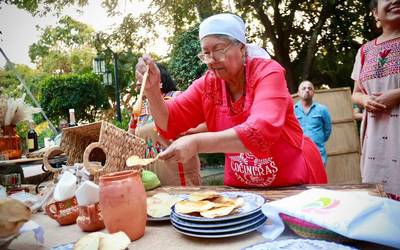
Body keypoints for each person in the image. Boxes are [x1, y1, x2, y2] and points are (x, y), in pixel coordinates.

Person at [135, 13, 327, 187]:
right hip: (241, 190)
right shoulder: (208, 85)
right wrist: (152, 91)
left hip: (290, 183)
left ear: (241, 48)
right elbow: (169, 122)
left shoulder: (267, 73)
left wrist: (196, 143)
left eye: (218, 50)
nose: (211, 60)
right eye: (206, 53)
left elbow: (261, 130)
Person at [351, 0, 400, 200]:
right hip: (376, 144)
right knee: (380, 208)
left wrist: (396, 94)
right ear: (375, 13)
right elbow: (355, 93)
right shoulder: (364, 51)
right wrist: (364, 100)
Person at [129, 63, 201, 186]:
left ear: (158, 79)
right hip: (150, 176)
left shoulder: (177, 97)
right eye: (138, 80)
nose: (138, 83)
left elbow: (204, 125)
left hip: (178, 172)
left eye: (143, 77)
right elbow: (130, 137)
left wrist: (184, 131)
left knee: (183, 203)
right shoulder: (139, 107)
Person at [294, 81, 332, 166]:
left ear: (313, 93)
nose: (307, 90)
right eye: (304, 88)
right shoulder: (293, 111)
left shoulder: (322, 110)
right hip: (300, 155)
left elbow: (328, 129)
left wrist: (319, 139)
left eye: (310, 88)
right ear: (298, 93)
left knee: (319, 178)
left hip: (318, 153)